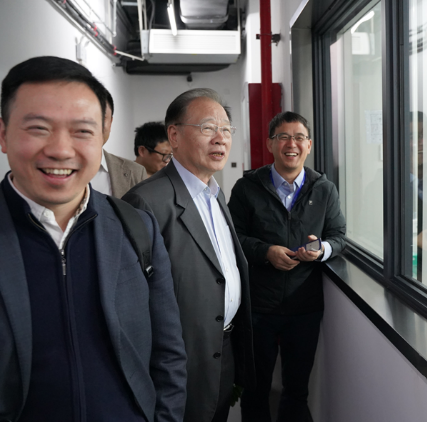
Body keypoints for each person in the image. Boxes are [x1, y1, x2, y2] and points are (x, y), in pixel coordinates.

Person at [0, 56, 186, 421]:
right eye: (38, 128)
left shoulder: (137, 228)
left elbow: (168, 354)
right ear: (3, 135)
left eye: (82, 131)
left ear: (104, 134)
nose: (60, 149)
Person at [124, 88, 256, 422]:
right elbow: (132, 306)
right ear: (174, 135)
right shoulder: (145, 202)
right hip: (180, 363)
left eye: (226, 129)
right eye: (208, 128)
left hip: (222, 351)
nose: (220, 138)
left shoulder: (215, 194)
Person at [230, 111, 347, 422]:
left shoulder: (324, 189)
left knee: (297, 390)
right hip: (258, 305)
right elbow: (232, 237)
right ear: (271, 143)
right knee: (255, 389)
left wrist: (320, 251)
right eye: (283, 137)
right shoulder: (247, 187)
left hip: (304, 307)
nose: (291, 144)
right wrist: (266, 252)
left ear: (309, 145)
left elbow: (339, 237)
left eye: (299, 138)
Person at [90, 93, 147, 197]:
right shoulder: (59, 168)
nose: (94, 125)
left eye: (102, 118)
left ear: (110, 122)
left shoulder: (135, 172)